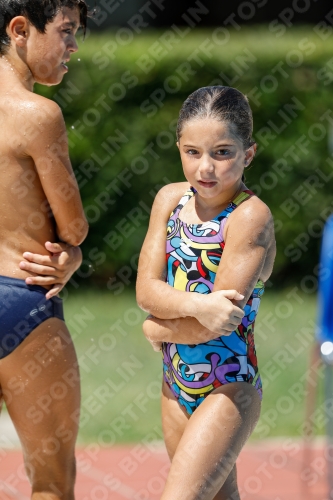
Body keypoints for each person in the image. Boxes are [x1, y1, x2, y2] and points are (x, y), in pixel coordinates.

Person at [136, 86, 276, 500]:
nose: (206, 168)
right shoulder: (169, 201)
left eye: (222, 152)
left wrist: (158, 328)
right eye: (193, 152)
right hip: (175, 382)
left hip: (230, 386)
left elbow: (217, 325)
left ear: (248, 154)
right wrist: (189, 307)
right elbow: (146, 289)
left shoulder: (250, 217)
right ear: (178, 146)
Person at [0, 1, 89, 498]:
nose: (73, 47)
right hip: (22, 296)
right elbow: (73, 226)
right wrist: (72, 253)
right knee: (52, 483)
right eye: (65, 32)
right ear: (20, 29)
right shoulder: (39, 114)